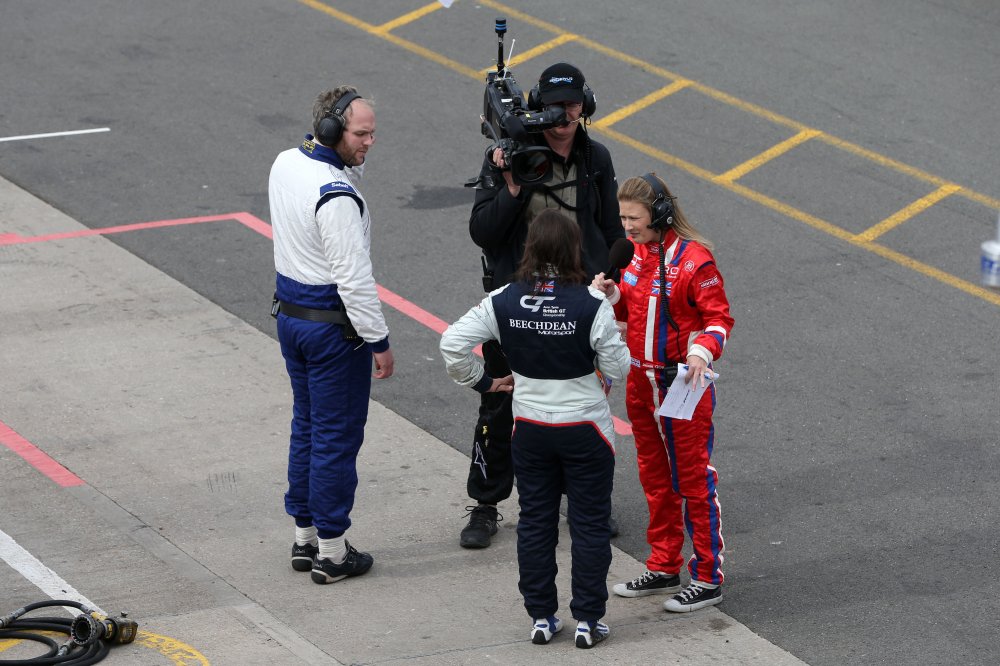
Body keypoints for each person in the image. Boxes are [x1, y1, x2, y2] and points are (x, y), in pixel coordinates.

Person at [441, 209, 630, 648]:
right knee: (589, 525)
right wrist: (606, 313)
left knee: (536, 523)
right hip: (586, 430)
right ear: (573, 249)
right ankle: (588, 621)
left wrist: (483, 382)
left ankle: (541, 617)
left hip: (529, 430)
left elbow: (451, 343)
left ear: (529, 249)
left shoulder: (503, 298)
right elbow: (618, 369)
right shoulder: (591, 303)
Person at [461, 62, 624, 548]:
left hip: (577, 305)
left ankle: (584, 502)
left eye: (572, 105)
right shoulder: (508, 156)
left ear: (585, 105)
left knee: (579, 405)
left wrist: (609, 281)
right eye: (553, 106)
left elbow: (612, 230)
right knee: (499, 404)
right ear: (537, 107)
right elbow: (482, 232)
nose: (563, 115)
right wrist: (512, 187)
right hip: (517, 304)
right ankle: (486, 504)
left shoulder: (596, 158)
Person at [268, 86, 394, 585]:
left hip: (291, 318)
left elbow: (337, 168)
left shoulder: (286, 162)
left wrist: (349, 155)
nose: (370, 143)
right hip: (333, 331)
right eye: (361, 134)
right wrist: (379, 340)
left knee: (307, 427)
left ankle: (304, 538)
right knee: (336, 439)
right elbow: (354, 281)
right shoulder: (336, 196)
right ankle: (333, 552)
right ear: (331, 130)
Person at [592, 173, 734, 612]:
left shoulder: (695, 261)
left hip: (682, 385)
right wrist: (613, 294)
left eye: (633, 218)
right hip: (640, 384)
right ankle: (664, 565)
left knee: (692, 481)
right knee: (654, 479)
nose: (626, 226)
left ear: (660, 214)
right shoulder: (633, 254)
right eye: (622, 218)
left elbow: (718, 320)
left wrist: (701, 352)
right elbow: (632, 310)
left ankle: (707, 578)